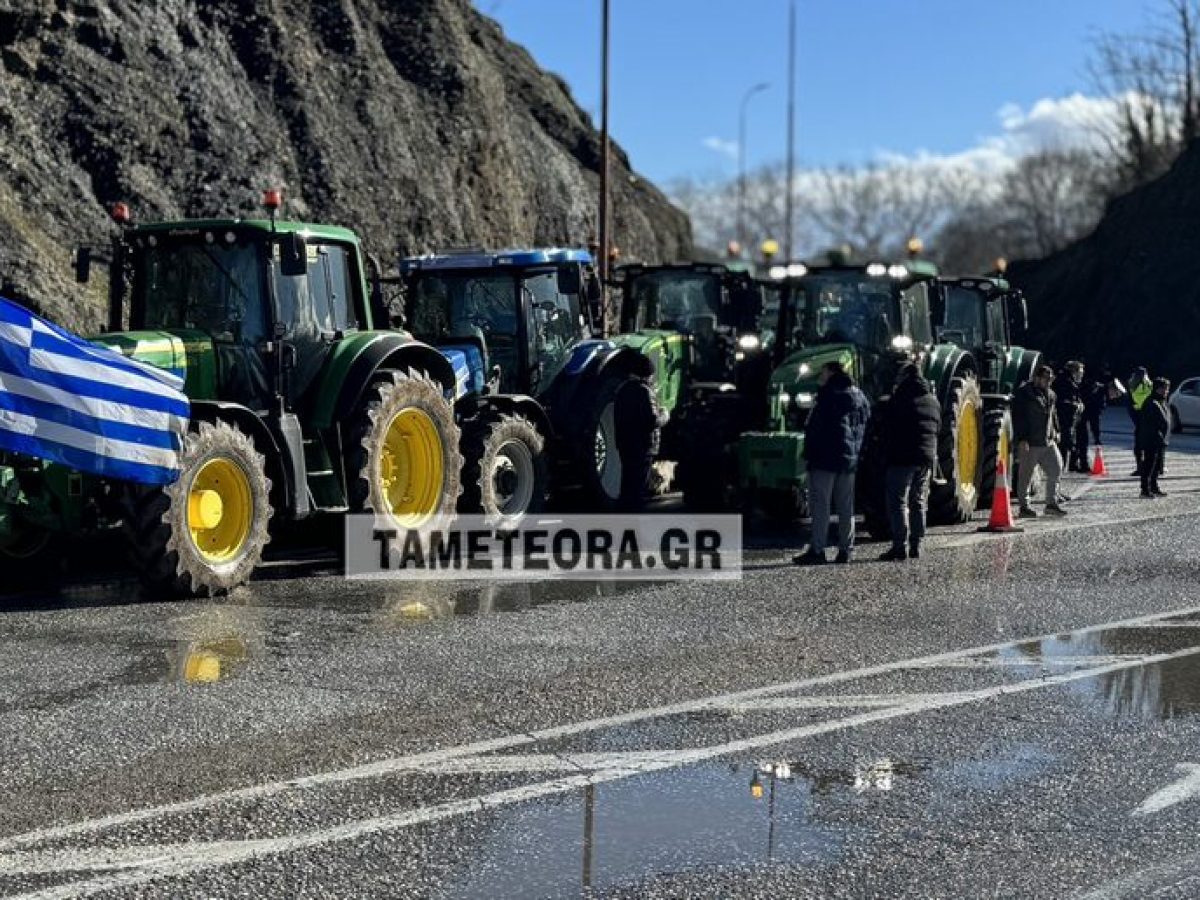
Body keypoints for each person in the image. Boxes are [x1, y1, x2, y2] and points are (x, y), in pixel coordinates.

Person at [794, 361, 871, 566]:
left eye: (823, 372)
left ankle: (818, 549)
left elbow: (816, 428)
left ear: (831, 372)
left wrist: (809, 453)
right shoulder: (860, 397)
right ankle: (846, 550)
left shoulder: (828, 396)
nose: (820, 376)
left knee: (821, 505)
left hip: (824, 459)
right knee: (846, 506)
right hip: (849, 460)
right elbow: (864, 425)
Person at [879, 363, 941, 561]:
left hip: (901, 457)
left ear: (904, 376)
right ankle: (917, 544)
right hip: (925, 459)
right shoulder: (932, 401)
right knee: (918, 501)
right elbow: (937, 427)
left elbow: (888, 427)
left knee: (898, 502)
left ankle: (900, 545)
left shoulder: (899, 399)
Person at [1012, 364, 1066, 518]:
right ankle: (1024, 506)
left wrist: (1057, 430)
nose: (1049, 382)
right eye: (1046, 379)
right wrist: (1022, 439)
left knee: (1056, 468)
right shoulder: (1024, 394)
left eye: (1051, 379)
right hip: (1030, 442)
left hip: (1048, 441)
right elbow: (1018, 418)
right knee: (1026, 476)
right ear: (1036, 378)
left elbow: (1053, 414)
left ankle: (1051, 503)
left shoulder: (1051, 394)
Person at [613, 354, 666, 511]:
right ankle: (634, 527)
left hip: (625, 445)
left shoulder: (621, 390)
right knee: (638, 490)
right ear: (647, 373)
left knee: (627, 486)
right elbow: (651, 421)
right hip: (643, 446)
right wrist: (665, 415)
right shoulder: (644, 391)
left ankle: (623, 524)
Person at [1137, 377, 1172, 498]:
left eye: (1167, 389)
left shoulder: (1161, 401)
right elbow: (1150, 424)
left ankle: (1154, 487)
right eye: (1164, 389)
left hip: (1160, 440)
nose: (1166, 391)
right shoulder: (1151, 402)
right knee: (1149, 464)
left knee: (1157, 466)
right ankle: (1145, 490)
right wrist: (1158, 437)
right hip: (1151, 440)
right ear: (1157, 389)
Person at [1053, 361, 1085, 475]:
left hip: (1068, 421)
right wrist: (1075, 405)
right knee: (1065, 447)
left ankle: (1062, 470)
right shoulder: (1065, 383)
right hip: (1063, 422)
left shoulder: (1070, 382)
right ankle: (1059, 472)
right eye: (1080, 372)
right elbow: (1061, 403)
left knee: (1068, 447)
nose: (1081, 375)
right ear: (1073, 371)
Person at [1074, 368, 1108, 472]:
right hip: (1083, 415)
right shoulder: (1098, 389)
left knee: (1080, 441)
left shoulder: (1081, 386)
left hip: (1081, 415)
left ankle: (1077, 463)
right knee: (1081, 441)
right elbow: (1097, 413)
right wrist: (1096, 436)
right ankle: (1082, 463)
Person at [1127, 366, 1152, 476]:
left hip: (1139, 418)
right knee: (1150, 445)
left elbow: (1130, 405)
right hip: (1149, 418)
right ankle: (1151, 467)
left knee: (1138, 446)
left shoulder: (1132, 386)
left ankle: (1140, 467)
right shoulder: (1150, 385)